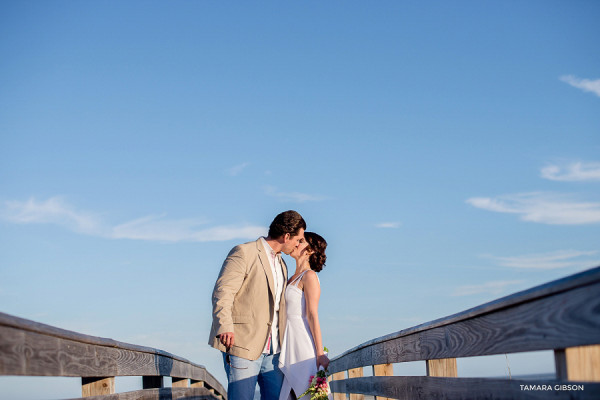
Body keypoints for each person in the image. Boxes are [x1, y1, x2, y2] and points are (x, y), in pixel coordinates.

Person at [208, 210, 306, 400]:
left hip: (274, 352)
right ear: (287, 236)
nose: (299, 244)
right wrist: (225, 327)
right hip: (243, 344)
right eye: (298, 239)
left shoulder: (282, 264)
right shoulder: (244, 252)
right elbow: (223, 292)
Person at [279, 231, 329, 400]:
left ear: (310, 250)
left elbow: (313, 315)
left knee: (305, 392)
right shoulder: (291, 277)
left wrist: (320, 352)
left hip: (302, 342)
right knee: (289, 392)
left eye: (300, 241)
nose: (296, 243)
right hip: (288, 339)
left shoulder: (309, 276)